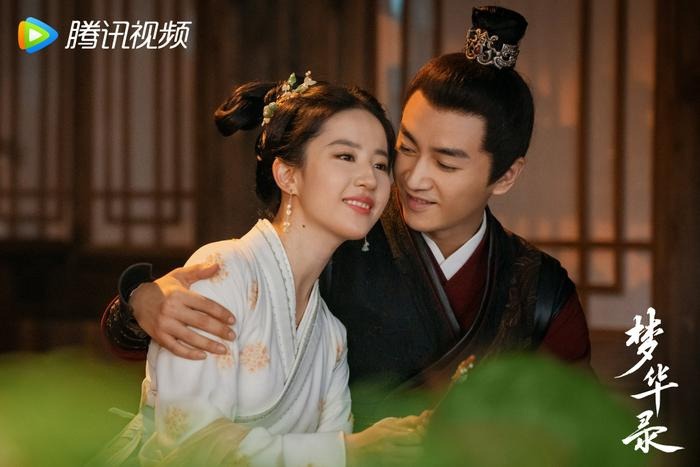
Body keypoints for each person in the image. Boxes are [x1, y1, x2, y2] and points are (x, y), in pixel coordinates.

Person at [102, 6, 590, 428]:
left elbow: (581, 427)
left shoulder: (538, 290)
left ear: (505, 175)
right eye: (405, 150)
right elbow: (162, 356)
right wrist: (144, 302)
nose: (413, 178)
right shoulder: (342, 229)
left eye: (446, 163)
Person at [93, 73, 428, 466]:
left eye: (381, 164)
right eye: (345, 156)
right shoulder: (220, 274)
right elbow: (187, 447)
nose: (369, 179)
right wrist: (345, 450)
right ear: (287, 174)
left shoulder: (330, 337)